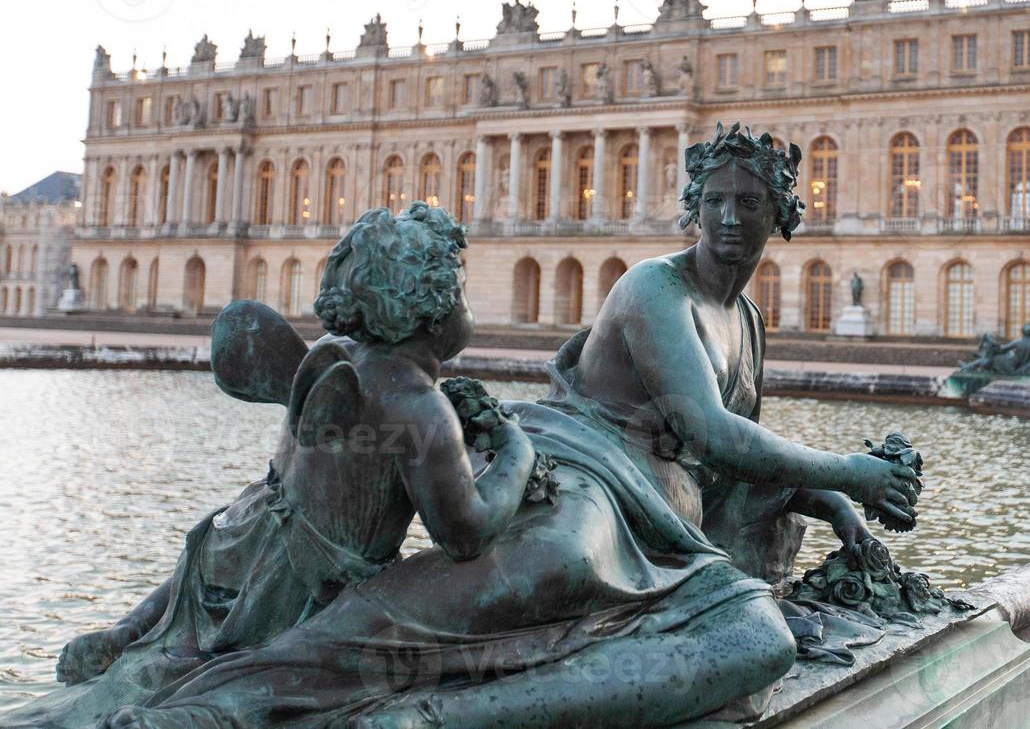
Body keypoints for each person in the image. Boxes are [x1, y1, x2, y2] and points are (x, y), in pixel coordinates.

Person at [104, 124, 919, 728]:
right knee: (706, 622)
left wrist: (825, 496)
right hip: (589, 479)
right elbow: (710, 430)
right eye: (716, 201)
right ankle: (400, 715)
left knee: (757, 639)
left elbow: (740, 458)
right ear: (693, 209)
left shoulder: (745, 318)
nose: (731, 218)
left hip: (666, 523)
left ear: (780, 212)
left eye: (750, 202)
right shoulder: (653, 290)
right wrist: (854, 471)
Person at [14, 204, 537, 729]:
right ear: (434, 307)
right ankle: (192, 715)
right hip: (306, 586)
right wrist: (516, 451)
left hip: (240, 540)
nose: (469, 305)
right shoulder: (419, 404)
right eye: (462, 292)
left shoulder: (333, 352)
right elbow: (465, 534)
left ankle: (133, 628)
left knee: (245, 529)